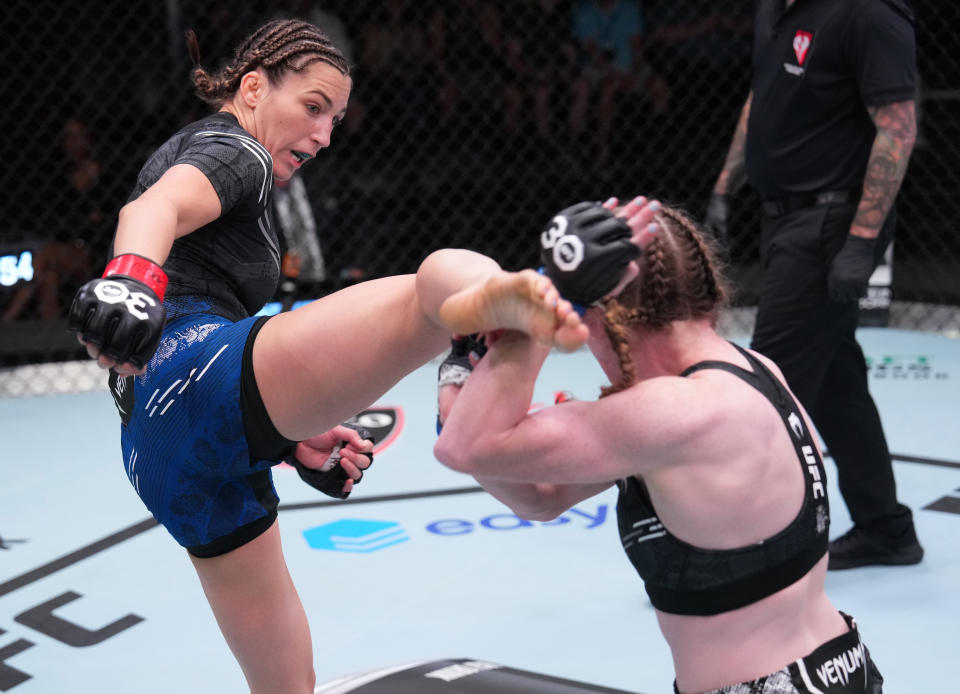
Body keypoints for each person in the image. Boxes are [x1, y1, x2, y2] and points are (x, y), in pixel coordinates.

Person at [66, 19, 587, 694]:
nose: (324, 135)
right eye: (313, 108)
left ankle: (480, 348)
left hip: (161, 450)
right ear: (253, 88)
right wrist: (132, 280)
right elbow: (153, 208)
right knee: (436, 284)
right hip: (193, 371)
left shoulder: (213, 152)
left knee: (286, 687)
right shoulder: (238, 154)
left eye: (336, 118)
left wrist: (284, 440)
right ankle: (482, 343)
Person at [435, 198, 884, 693]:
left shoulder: (675, 412)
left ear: (603, 316)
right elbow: (540, 494)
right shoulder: (747, 372)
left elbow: (466, 447)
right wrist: (466, 385)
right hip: (837, 668)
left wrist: (545, 305)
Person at [703, 0, 923, 570]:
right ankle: (885, 528)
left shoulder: (866, 12)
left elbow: (897, 127)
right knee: (835, 385)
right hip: (785, 217)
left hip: (830, 223)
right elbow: (765, 96)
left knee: (768, 392)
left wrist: (860, 240)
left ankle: (749, 549)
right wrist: (728, 183)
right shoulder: (776, 10)